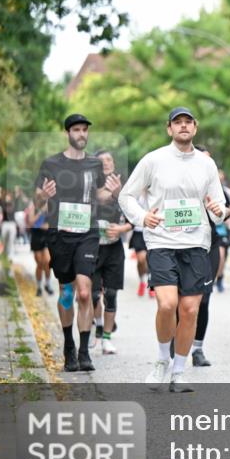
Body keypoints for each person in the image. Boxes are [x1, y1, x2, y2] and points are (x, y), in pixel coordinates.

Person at [118, 107, 227, 392]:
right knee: (167, 305)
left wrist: (219, 210)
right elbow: (126, 195)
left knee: (189, 310)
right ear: (169, 129)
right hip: (162, 242)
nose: (183, 126)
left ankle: (179, 371)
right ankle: (161, 360)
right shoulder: (153, 160)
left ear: (195, 127)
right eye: (177, 123)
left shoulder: (206, 164)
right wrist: (142, 218)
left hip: (196, 244)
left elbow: (219, 206)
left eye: (187, 122)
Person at [35, 114, 123, 372]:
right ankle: (68, 346)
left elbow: (99, 196)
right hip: (60, 235)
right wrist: (43, 194)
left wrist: (115, 193)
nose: (82, 134)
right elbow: (38, 202)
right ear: (67, 133)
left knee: (85, 291)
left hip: (87, 233)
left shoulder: (95, 164)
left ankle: (85, 351)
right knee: (66, 293)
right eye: (77, 129)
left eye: (85, 130)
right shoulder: (51, 164)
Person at [190, 145, 230, 367]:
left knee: (204, 298)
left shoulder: (217, 188)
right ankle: (174, 341)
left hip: (210, 245)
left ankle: (197, 348)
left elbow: (228, 211)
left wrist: (221, 211)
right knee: (182, 299)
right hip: (183, 246)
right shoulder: (181, 184)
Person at [90, 150, 132, 355]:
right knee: (94, 294)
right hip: (92, 248)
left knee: (112, 294)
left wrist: (121, 229)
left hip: (114, 248)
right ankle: (98, 326)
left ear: (114, 164)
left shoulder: (125, 189)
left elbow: (135, 218)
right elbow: (99, 199)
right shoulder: (89, 186)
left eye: (109, 160)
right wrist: (114, 192)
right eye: (101, 161)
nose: (105, 163)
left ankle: (106, 338)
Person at [214, 168, 230, 293]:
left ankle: (220, 278)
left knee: (221, 256)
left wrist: (226, 216)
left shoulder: (224, 192)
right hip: (204, 230)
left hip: (221, 230)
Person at [27, 197, 53, 295]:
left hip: (47, 236)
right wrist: (41, 211)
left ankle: (47, 283)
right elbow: (30, 222)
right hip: (36, 236)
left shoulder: (51, 204)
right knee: (40, 263)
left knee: (47, 261)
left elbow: (52, 223)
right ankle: (39, 287)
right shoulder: (33, 206)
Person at [128, 199, 151, 298]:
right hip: (139, 231)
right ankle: (142, 281)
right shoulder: (137, 192)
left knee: (150, 259)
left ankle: (151, 282)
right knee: (141, 259)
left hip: (153, 231)